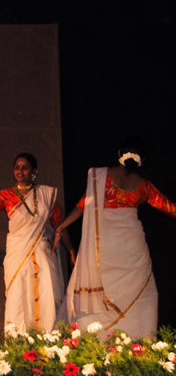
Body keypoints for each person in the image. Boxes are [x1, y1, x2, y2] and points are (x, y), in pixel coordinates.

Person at [53, 136, 176, 339]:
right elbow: (171, 209)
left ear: (119, 153)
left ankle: (95, 340)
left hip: (104, 245)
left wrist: (61, 226)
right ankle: (136, 342)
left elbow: (82, 206)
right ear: (143, 159)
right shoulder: (144, 186)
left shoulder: (100, 176)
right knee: (141, 294)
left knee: (101, 293)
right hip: (132, 247)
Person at [0, 153, 74, 332]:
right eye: (17, 167)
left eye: (25, 167)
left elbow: (59, 225)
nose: (20, 171)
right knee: (18, 295)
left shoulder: (46, 195)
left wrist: (71, 250)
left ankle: (49, 337)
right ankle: (18, 339)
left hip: (42, 253)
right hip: (17, 254)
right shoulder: (6, 196)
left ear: (34, 171)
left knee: (47, 294)